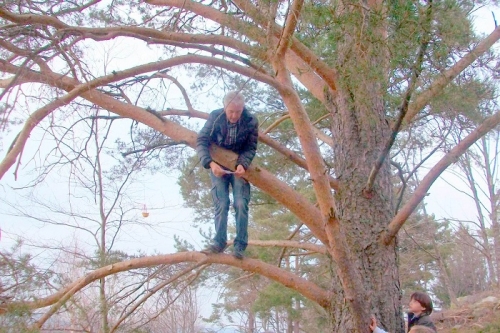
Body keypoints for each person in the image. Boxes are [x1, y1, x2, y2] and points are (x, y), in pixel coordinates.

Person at [196, 91, 259, 259]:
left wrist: (242, 164)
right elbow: (201, 140)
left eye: (238, 112)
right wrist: (210, 163)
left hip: (239, 167)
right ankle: (219, 242)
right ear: (224, 108)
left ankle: (239, 246)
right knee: (222, 203)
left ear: (243, 108)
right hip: (217, 166)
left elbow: (251, 147)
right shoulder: (215, 117)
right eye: (231, 111)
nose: (234, 115)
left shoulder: (251, 120)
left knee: (240, 203)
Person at [370, 291, 437, 333]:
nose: (410, 303)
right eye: (411, 301)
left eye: (415, 302)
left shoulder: (425, 322)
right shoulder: (413, 318)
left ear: (423, 307)